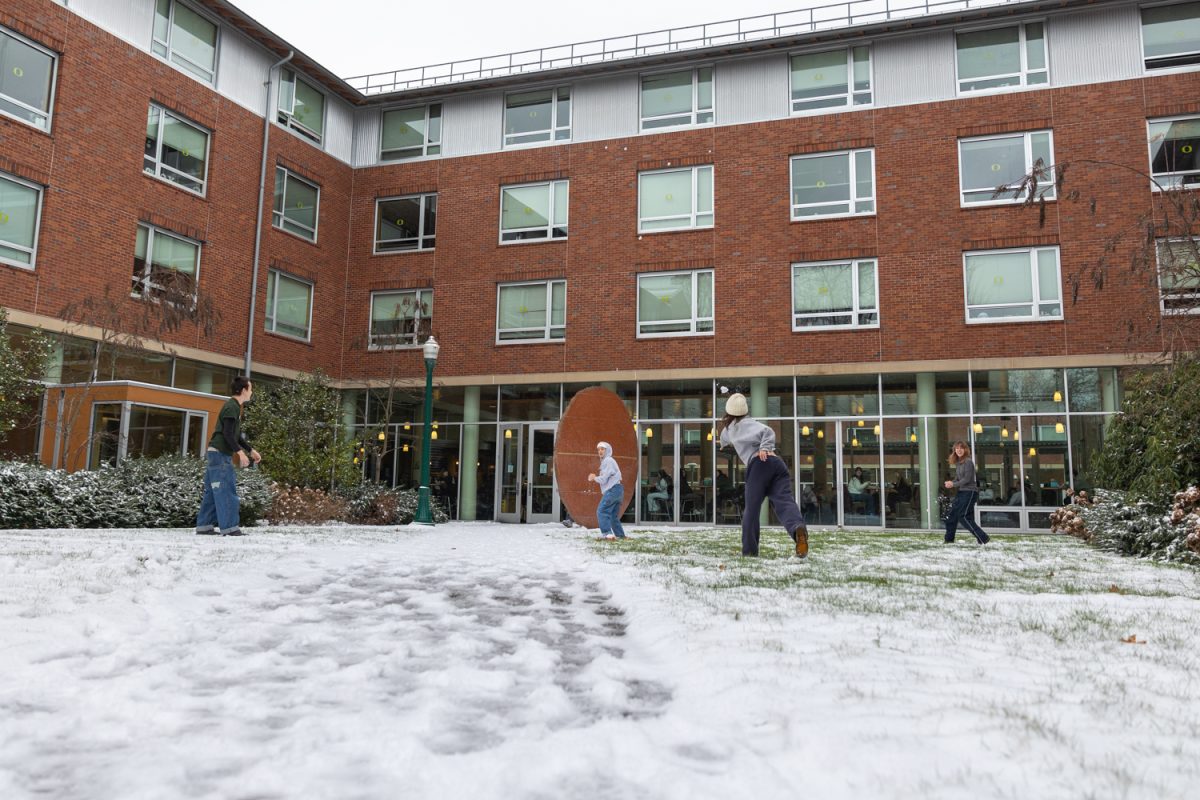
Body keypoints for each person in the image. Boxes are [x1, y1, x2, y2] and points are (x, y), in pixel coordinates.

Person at [718, 392, 808, 558]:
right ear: (745, 410)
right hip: (777, 464)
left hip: (760, 464)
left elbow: (768, 432)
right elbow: (766, 431)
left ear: (728, 412)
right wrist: (766, 447)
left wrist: (763, 448)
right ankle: (797, 529)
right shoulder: (750, 423)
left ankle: (750, 552)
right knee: (784, 501)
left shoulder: (731, 428)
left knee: (752, 509)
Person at [196, 376, 261, 537]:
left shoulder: (233, 407)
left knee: (213, 491)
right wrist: (239, 453)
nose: (251, 392)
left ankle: (204, 526)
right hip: (220, 454)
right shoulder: (232, 407)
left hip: (214, 453)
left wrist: (250, 450)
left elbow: (234, 434)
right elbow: (227, 434)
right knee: (226, 490)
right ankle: (230, 528)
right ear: (244, 390)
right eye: (250, 389)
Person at [943, 440, 990, 545]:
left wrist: (953, 484)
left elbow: (967, 479)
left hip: (970, 492)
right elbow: (958, 478)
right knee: (951, 516)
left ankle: (983, 538)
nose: (959, 450)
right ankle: (948, 540)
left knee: (963, 516)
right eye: (957, 448)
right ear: (954, 450)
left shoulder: (968, 462)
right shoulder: (959, 463)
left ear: (965, 450)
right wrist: (951, 482)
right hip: (962, 492)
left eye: (961, 448)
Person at [588, 441, 627, 540]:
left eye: (602, 449)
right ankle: (620, 535)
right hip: (618, 490)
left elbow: (604, 479)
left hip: (613, 490)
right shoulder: (608, 461)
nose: (600, 451)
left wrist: (594, 477)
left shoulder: (608, 460)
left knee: (601, 511)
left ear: (607, 450)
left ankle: (607, 533)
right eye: (598, 449)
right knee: (613, 516)